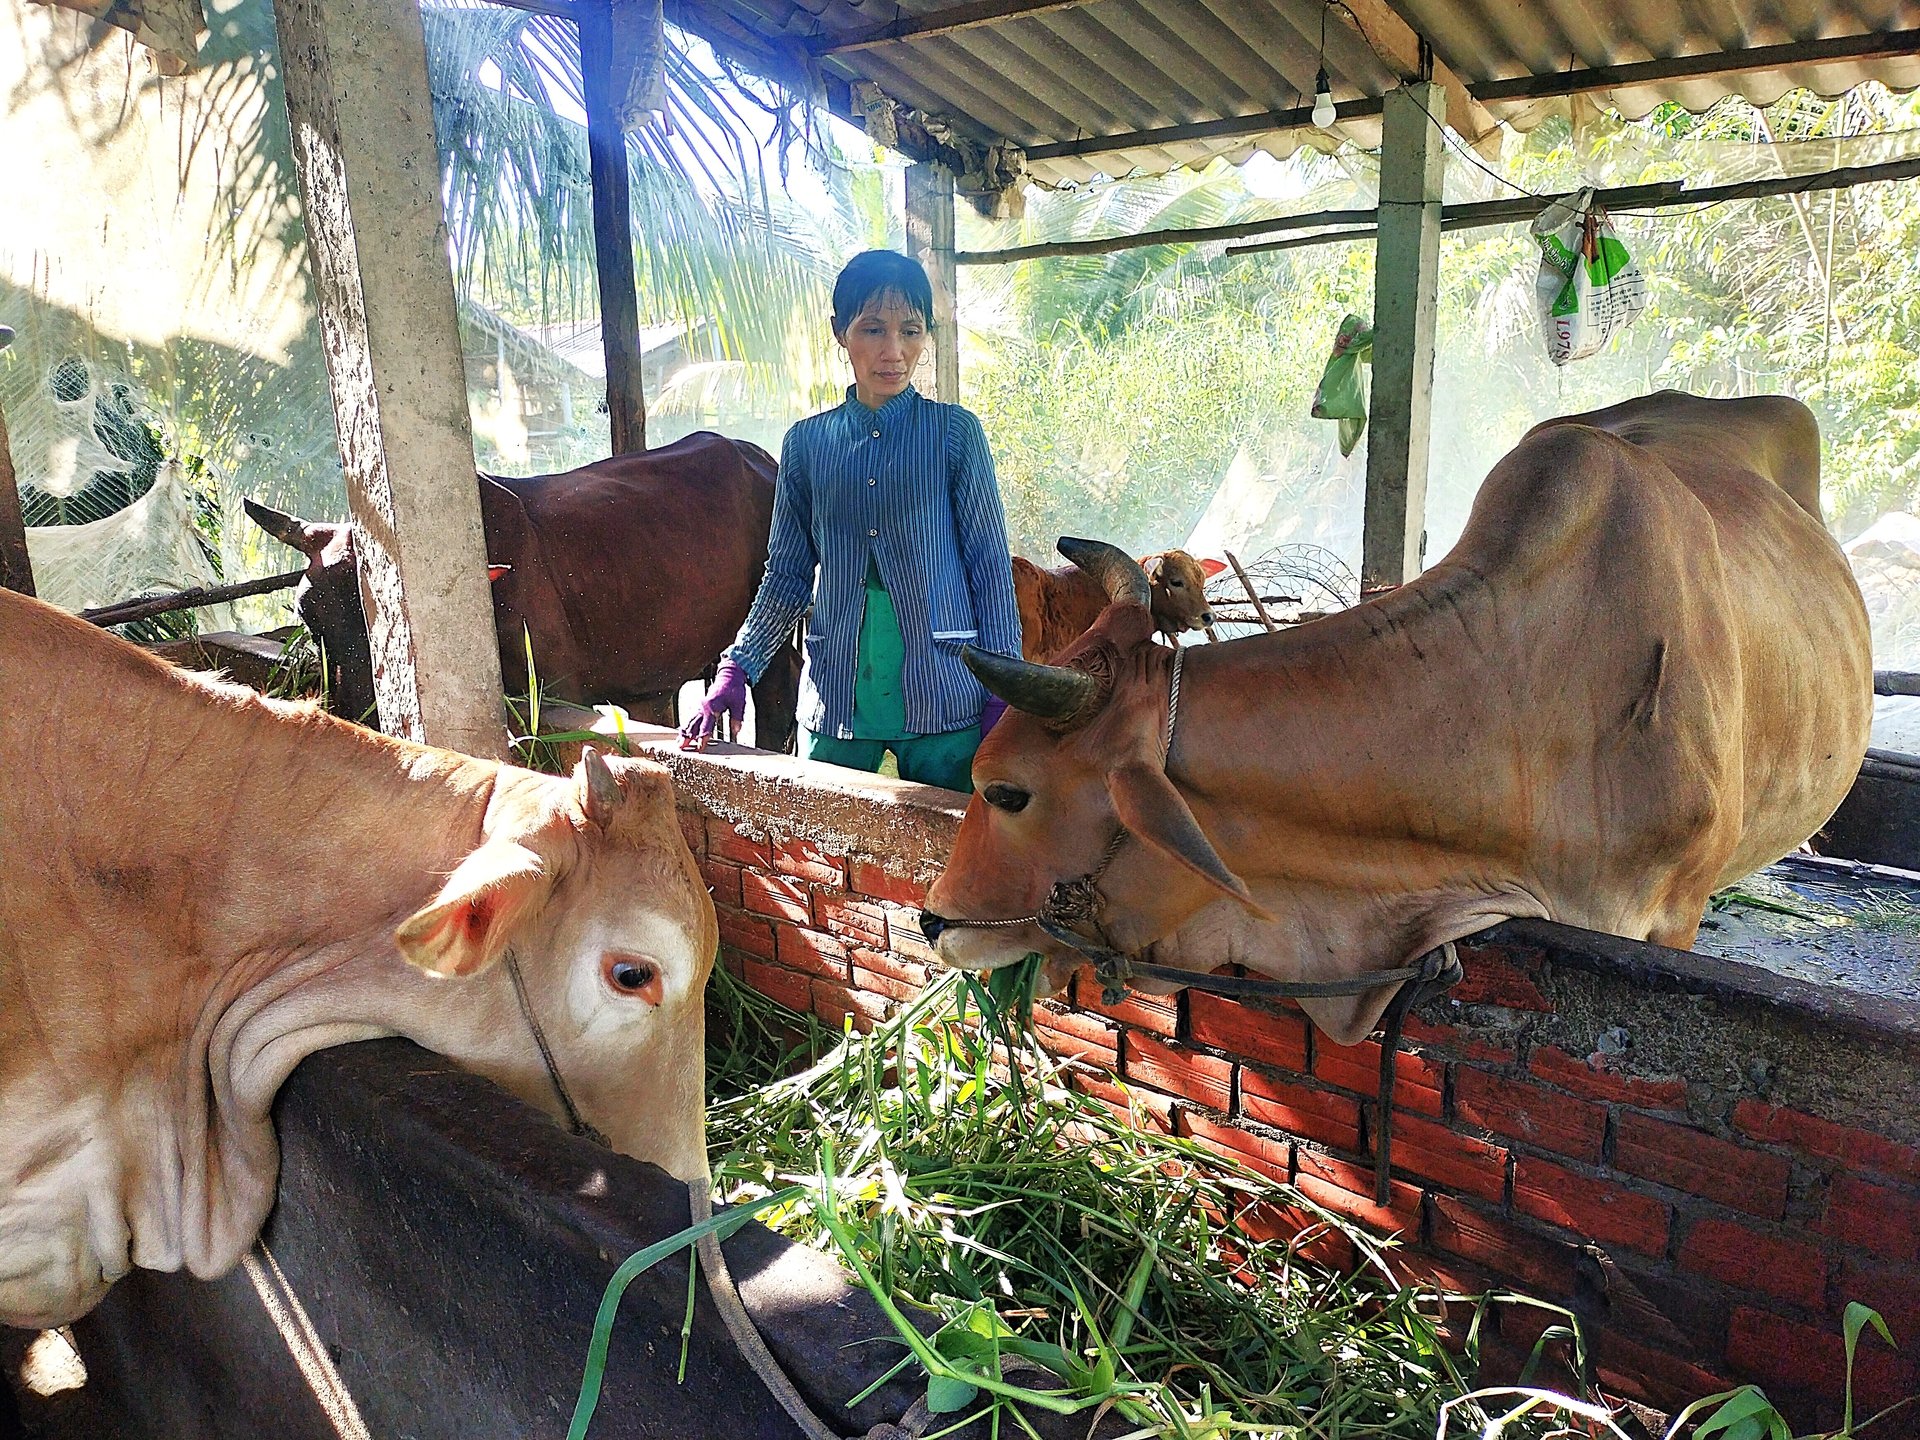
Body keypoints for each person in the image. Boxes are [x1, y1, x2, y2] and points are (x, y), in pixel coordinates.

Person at [679, 250, 1018, 792]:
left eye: (910, 330)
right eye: (872, 329)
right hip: (838, 694)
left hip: (947, 690)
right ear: (840, 332)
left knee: (950, 860)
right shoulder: (808, 445)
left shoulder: (954, 436)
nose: (893, 351)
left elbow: (989, 569)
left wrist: (1004, 689)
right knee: (824, 861)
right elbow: (787, 575)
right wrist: (737, 667)